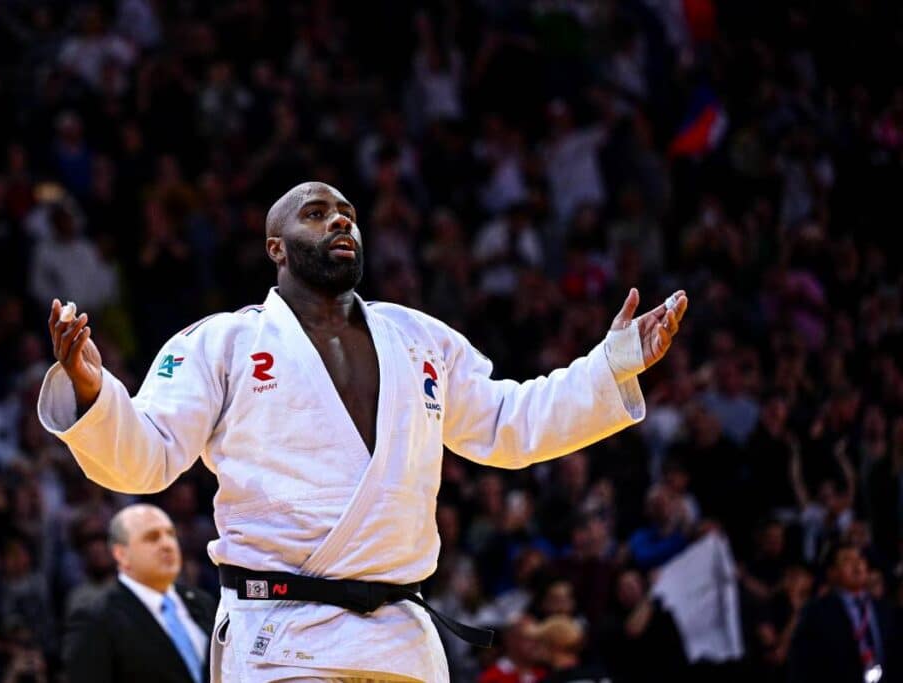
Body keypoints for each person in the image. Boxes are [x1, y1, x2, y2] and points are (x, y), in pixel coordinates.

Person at [39, 181, 689, 682]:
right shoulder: (224, 343)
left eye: (346, 211)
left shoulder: (419, 338)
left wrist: (613, 364)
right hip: (281, 638)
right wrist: (95, 393)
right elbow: (145, 460)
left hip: (399, 638)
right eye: (316, 213)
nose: (340, 219)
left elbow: (509, 425)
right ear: (277, 246)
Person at [63, 504, 216, 683]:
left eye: (170, 534)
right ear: (121, 554)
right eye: (152, 537)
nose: (167, 544)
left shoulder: (202, 602)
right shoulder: (95, 617)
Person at [788, 543, 901, 683]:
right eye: (847, 560)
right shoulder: (816, 612)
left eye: (860, 559)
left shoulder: (884, 608)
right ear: (832, 572)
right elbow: (803, 663)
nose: (857, 565)